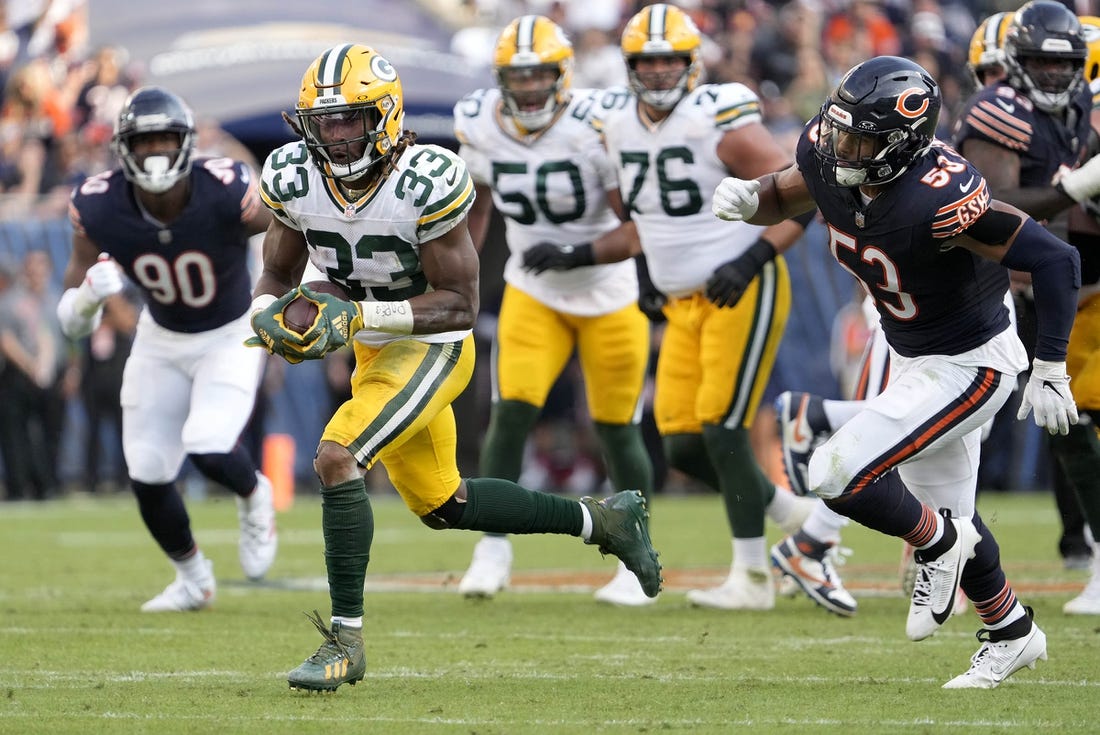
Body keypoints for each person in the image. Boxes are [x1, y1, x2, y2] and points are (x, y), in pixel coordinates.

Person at [245, 43, 661, 693]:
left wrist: (356, 316)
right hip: (378, 352)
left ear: (383, 118)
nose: (338, 135)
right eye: (325, 123)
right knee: (446, 504)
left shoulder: (426, 178)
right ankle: (605, 520)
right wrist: (266, 312)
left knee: (336, 455)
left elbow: (461, 305)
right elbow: (276, 270)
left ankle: (344, 640)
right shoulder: (296, 177)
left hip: (436, 344)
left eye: (352, 120)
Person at [711, 55, 1080, 688]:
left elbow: (1056, 259)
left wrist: (1051, 363)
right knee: (957, 517)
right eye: (839, 129)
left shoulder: (937, 197)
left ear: (900, 144)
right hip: (915, 352)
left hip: (971, 363)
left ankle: (934, 546)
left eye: (859, 138)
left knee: (835, 470)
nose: (839, 146)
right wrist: (753, 200)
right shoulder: (831, 155)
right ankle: (1012, 631)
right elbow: (784, 193)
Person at [573, 3, 854, 616]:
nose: (655, 72)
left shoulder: (718, 118)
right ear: (627, 67)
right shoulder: (615, 123)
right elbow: (640, 207)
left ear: (691, 63)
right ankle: (795, 516)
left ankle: (752, 578)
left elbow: (801, 195)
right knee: (680, 444)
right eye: (644, 61)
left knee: (723, 427)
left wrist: (750, 260)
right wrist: (647, 268)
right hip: (682, 302)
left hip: (739, 289)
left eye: (668, 59)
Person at [451, 15, 655, 606]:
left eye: (540, 75)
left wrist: (571, 250)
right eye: (518, 77)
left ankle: (634, 552)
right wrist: (461, 270)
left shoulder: (598, 124)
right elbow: (478, 208)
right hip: (534, 290)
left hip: (607, 289)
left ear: (562, 75)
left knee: (618, 427)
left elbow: (635, 229)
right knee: (510, 411)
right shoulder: (481, 123)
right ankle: (492, 545)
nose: (530, 88)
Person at [57, 86, 278, 611]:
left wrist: (278, 294)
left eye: (164, 139)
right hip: (161, 337)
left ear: (186, 143)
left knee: (206, 443)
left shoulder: (224, 188)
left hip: (229, 332)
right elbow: (69, 321)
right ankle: (193, 579)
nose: (155, 152)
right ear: (123, 149)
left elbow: (285, 231)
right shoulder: (98, 204)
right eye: (144, 141)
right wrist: (90, 295)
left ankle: (254, 494)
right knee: (148, 469)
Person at [954, 2, 1100, 605]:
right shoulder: (997, 110)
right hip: (1008, 293)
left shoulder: (1084, 109)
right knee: (980, 424)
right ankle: (947, 556)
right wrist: (1071, 189)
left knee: (1076, 418)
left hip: (1079, 286)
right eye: (1038, 61)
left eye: (1061, 62)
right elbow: (987, 210)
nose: (1050, 73)